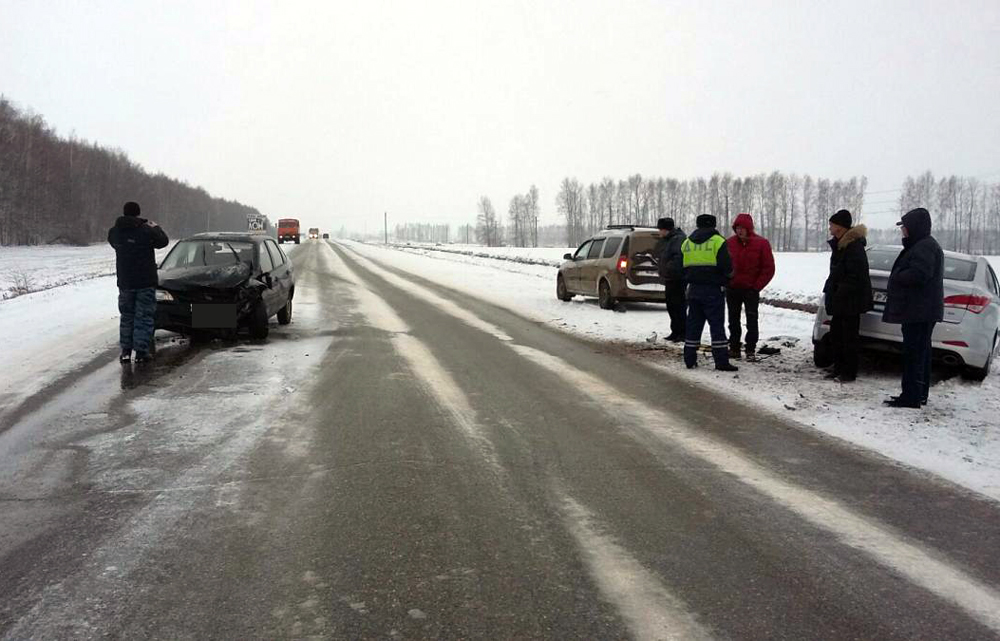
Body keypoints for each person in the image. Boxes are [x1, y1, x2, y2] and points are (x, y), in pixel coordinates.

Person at [882, 207, 944, 408]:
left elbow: (920, 274)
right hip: (920, 310)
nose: (903, 231)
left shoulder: (924, 247)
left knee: (915, 354)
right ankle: (917, 394)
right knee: (920, 353)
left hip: (919, 311)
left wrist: (898, 276)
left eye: (905, 227)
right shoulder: (922, 245)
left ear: (915, 227)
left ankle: (912, 396)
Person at [107, 201, 169, 363]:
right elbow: (163, 242)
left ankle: (126, 351)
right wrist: (155, 227)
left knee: (126, 316)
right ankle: (141, 352)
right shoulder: (146, 231)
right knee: (144, 316)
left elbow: (113, 242)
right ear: (138, 213)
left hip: (125, 282)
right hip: (145, 281)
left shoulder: (115, 232)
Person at [682, 214, 738, 371]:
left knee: (693, 325)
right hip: (713, 290)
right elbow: (727, 267)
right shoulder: (718, 241)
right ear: (713, 225)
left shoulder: (687, 243)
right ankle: (721, 361)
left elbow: (682, 266)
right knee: (716, 326)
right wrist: (728, 277)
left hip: (693, 289)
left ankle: (689, 359)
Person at [822, 209, 873, 383]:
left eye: (832, 224)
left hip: (850, 302)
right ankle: (838, 368)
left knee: (849, 338)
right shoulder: (840, 244)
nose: (830, 227)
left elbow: (855, 276)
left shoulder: (854, 246)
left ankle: (848, 372)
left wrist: (839, 291)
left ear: (840, 227)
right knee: (837, 335)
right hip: (840, 300)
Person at [725, 213, 775, 361]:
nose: (739, 231)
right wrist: (727, 282)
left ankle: (750, 348)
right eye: (737, 228)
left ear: (749, 228)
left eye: (742, 228)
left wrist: (756, 287)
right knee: (733, 320)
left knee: (752, 319)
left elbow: (768, 268)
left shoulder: (761, 243)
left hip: (750, 289)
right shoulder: (729, 243)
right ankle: (734, 347)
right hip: (733, 288)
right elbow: (723, 264)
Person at [654, 217, 687, 342]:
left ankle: (682, 332)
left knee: (678, 305)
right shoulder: (668, 239)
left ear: (666, 229)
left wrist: (668, 269)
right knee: (671, 305)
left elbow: (678, 258)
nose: (659, 232)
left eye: (660, 229)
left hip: (677, 278)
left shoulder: (678, 239)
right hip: (670, 277)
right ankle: (675, 331)